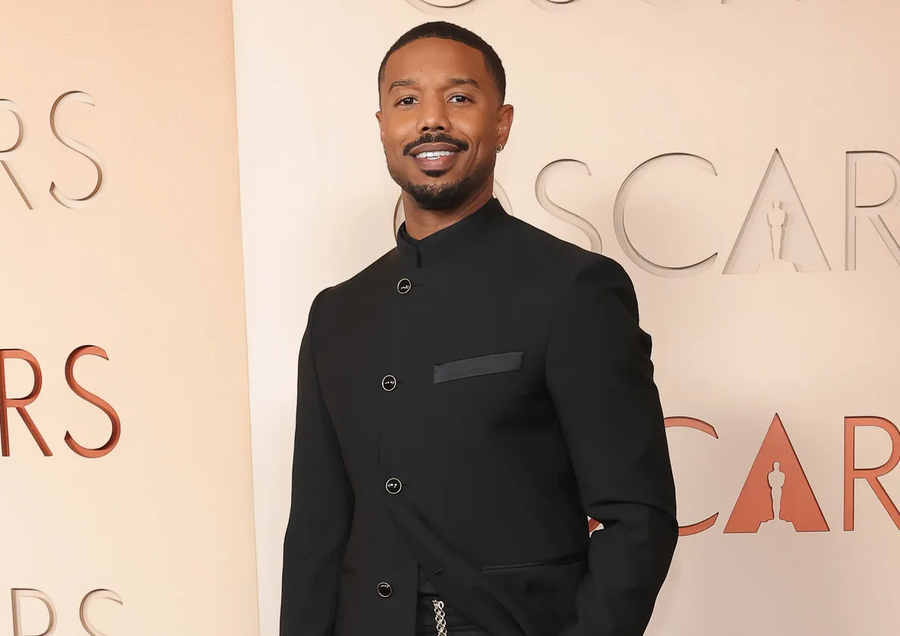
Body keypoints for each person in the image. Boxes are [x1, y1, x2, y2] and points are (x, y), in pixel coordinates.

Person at [280, 20, 678, 636]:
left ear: (502, 124)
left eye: (460, 97)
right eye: (407, 101)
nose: (431, 120)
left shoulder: (573, 289)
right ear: (383, 127)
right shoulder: (337, 313)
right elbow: (315, 531)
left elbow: (637, 517)